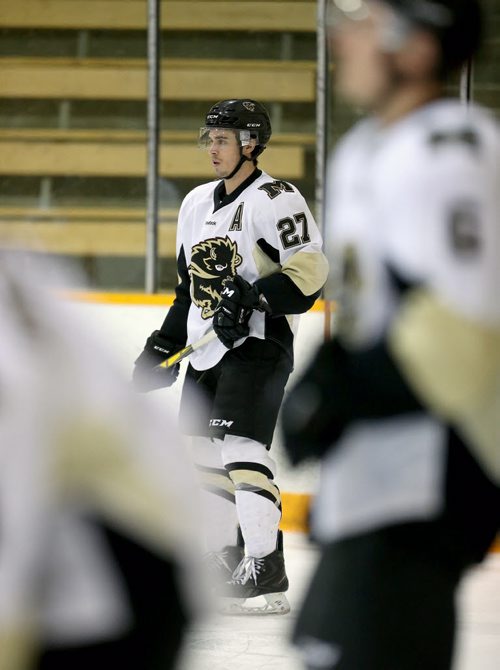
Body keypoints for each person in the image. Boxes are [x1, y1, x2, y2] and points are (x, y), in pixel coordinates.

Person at [281, 0, 500, 667]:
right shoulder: (368, 149)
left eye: (365, 24)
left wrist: (340, 390)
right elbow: (376, 310)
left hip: (428, 479)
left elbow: (463, 345)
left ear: (417, 47)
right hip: (380, 476)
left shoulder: (447, 153)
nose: (342, 39)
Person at [133, 99, 329, 614]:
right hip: (204, 350)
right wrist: (160, 347)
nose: (212, 148)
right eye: (210, 138)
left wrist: (256, 298)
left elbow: (309, 275)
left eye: (222, 139)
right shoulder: (196, 203)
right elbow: (186, 291)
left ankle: (266, 567)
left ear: (251, 143)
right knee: (201, 456)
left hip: (258, 347)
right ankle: (223, 560)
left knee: (242, 449)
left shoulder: (277, 198)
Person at [0, 256, 202, 670]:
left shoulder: (15, 331)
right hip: (139, 545)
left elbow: (20, 487)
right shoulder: (22, 277)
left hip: (127, 563)